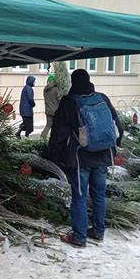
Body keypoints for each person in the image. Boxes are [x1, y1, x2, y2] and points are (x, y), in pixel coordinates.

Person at [49, 69, 123, 248]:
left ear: (73, 82)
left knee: (80, 197)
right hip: (103, 156)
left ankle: (80, 237)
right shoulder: (102, 98)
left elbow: (59, 133)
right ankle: (98, 231)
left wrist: (53, 155)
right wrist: (115, 147)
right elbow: (117, 126)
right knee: (99, 195)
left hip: (80, 158)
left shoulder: (70, 101)